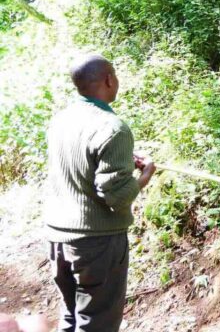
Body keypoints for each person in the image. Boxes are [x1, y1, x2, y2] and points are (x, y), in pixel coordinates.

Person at [45, 54, 156, 332]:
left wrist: (120, 161)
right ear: (109, 79)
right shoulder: (112, 128)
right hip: (96, 243)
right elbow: (116, 197)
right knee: (98, 322)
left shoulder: (61, 120)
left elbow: (80, 163)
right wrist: (144, 177)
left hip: (57, 238)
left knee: (71, 316)